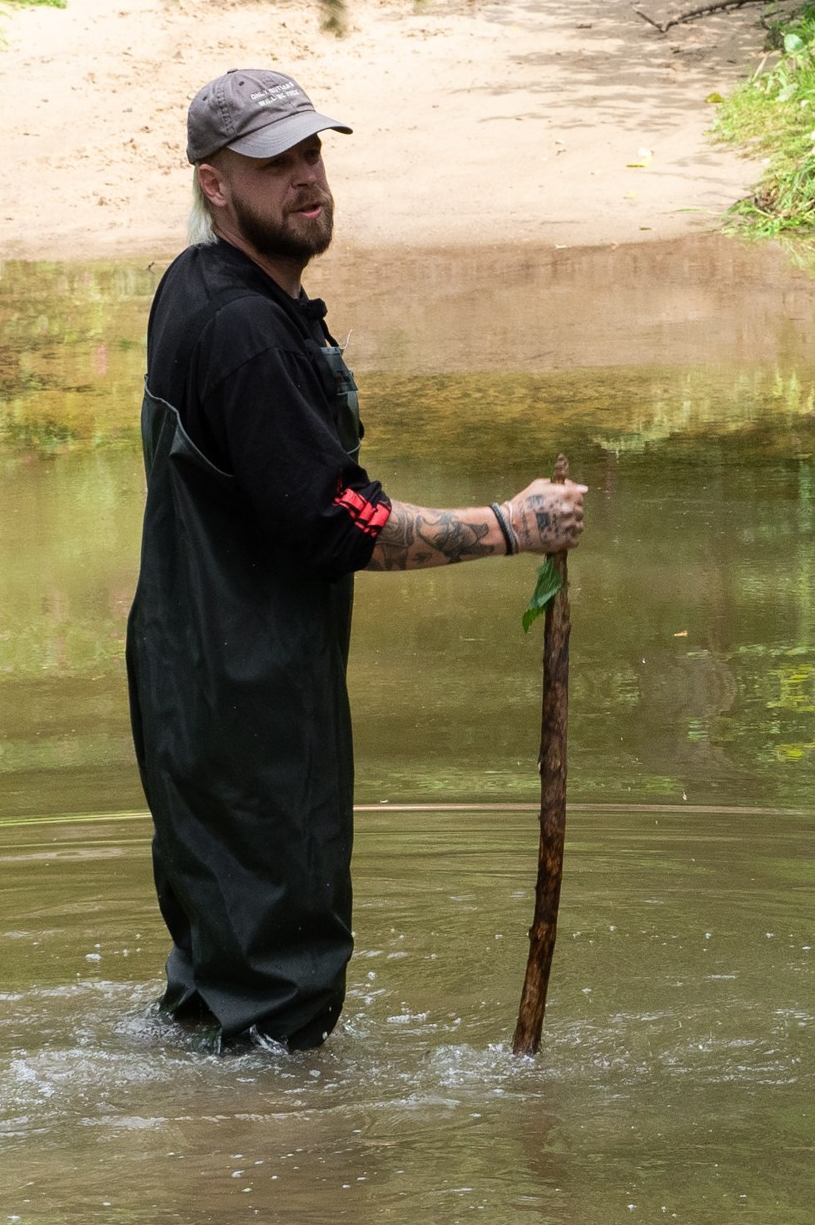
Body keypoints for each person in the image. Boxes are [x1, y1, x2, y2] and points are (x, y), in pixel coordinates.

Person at [125, 68, 587, 1050]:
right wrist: (511, 525)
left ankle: (203, 1155)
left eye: (311, 152)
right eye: (272, 163)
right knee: (280, 988)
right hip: (249, 696)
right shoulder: (245, 330)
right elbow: (344, 523)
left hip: (188, 678)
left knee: (220, 975)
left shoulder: (198, 284)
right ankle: (283, 1169)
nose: (305, 178)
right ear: (215, 184)